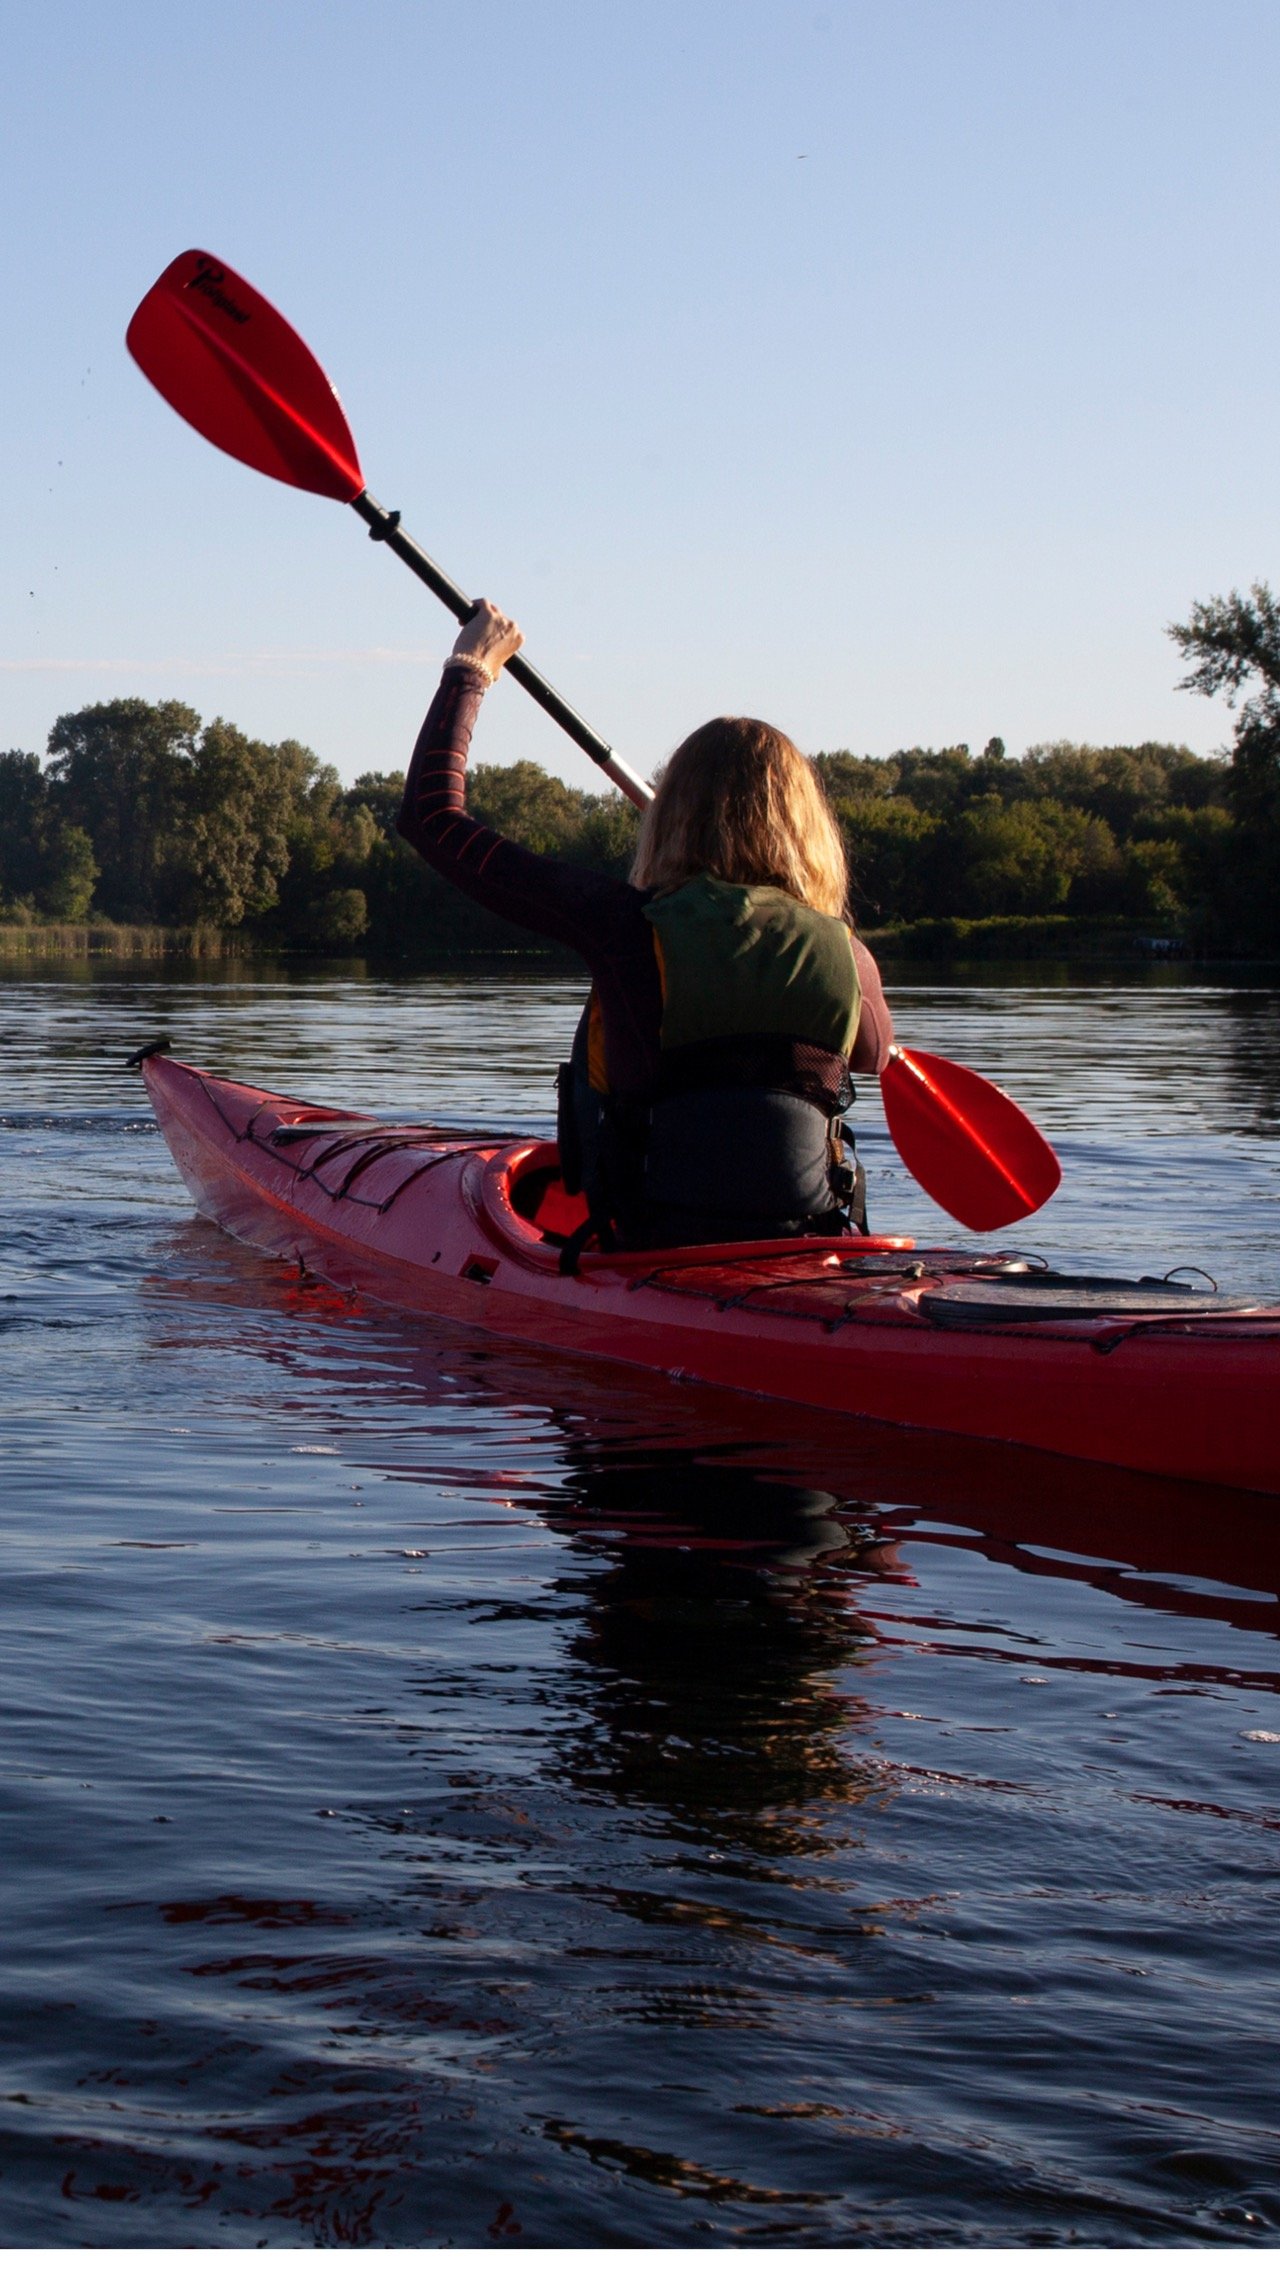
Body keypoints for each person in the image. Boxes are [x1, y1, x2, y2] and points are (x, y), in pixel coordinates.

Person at [397, 600, 894, 1254]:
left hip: (653, 1247)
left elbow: (432, 817)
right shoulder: (849, 957)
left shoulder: (624, 926)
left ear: (670, 816)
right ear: (808, 829)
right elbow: (874, 1057)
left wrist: (470, 668)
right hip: (807, 1248)